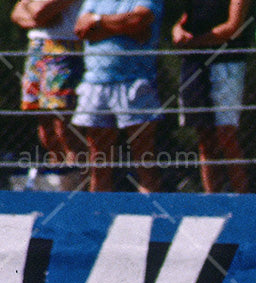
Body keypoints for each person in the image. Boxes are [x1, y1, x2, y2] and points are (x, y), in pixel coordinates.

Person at [71, 0, 164, 192]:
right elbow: (80, 29)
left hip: (135, 82)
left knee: (144, 157)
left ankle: (152, 214)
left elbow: (139, 21)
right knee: (98, 160)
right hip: (95, 82)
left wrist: (97, 22)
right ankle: (97, 214)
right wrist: (124, 27)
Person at [172, 0, 252, 193]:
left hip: (227, 66)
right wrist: (177, 32)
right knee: (205, 138)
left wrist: (195, 43)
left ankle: (243, 200)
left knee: (226, 134)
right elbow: (181, 23)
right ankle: (212, 199)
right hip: (195, 67)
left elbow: (233, 28)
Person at [12, 0, 84, 189]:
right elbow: (17, 13)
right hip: (37, 49)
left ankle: (77, 185)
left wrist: (35, 14)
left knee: (64, 126)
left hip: (65, 50)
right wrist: (35, 17)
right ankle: (58, 183)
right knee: (45, 126)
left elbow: (40, 11)